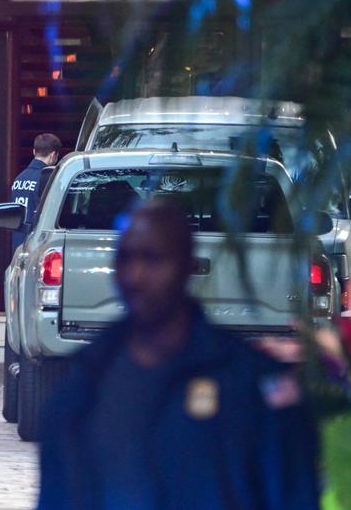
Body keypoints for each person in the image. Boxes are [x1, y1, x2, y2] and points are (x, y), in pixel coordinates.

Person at [37, 198, 319, 509]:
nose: (136, 276)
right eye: (126, 259)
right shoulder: (82, 389)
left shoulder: (252, 384)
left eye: (153, 259)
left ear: (187, 266)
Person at [11, 133, 61, 251]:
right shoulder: (49, 178)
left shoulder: (19, 178)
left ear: (34, 152)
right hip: (37, 245)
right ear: (53, 155)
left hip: (18, 244)